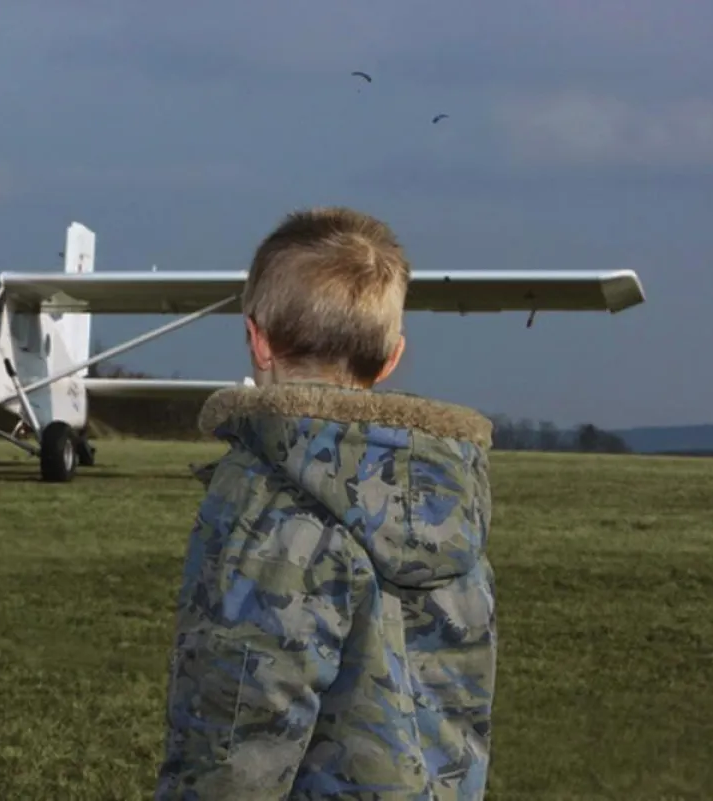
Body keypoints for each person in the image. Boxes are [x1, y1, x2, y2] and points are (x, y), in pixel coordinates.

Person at [154, 207, 496, 799]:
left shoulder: (265, 504)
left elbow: (235, 737)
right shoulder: (451, 500)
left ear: (257, 340)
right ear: (392, 357)